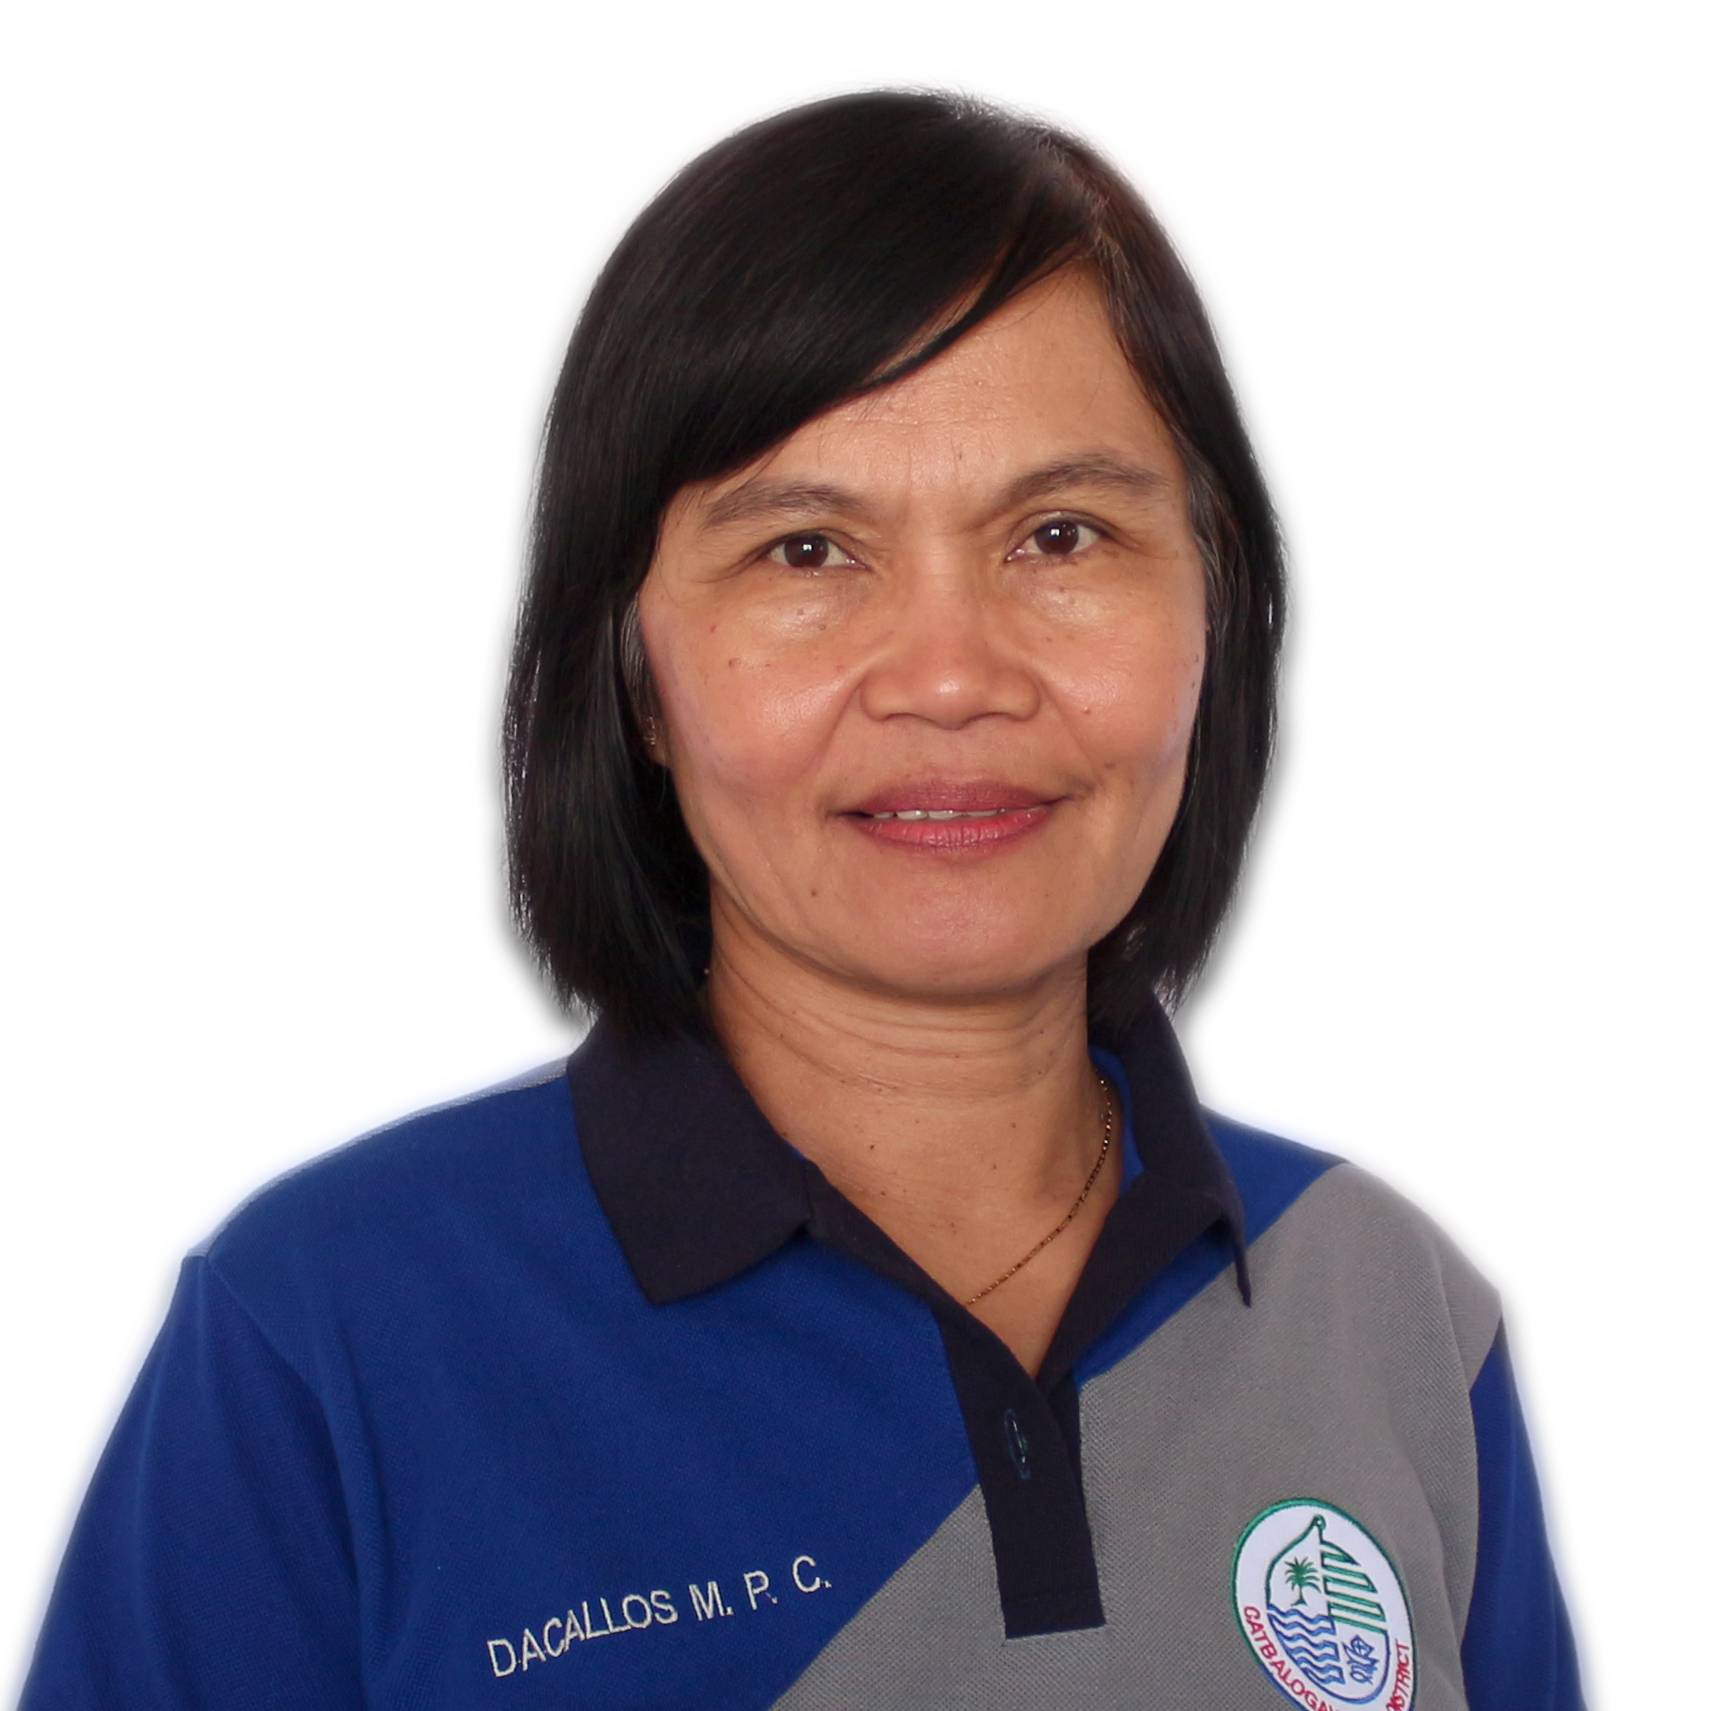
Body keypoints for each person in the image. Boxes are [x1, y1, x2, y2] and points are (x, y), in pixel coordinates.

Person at [1, 82, 1601, 1710]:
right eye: (804, 551)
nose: (951, 675)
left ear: (1220, 614)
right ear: (631, 670)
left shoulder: (1394, 1301)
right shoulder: (315, 1325)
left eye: (1060, 535)